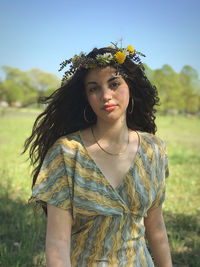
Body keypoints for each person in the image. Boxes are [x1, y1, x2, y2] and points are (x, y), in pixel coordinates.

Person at [24, 42, 173, 266]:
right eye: (94, 88)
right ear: (86, 97)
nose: (105, 95)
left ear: (130, 87)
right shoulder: (66, 153)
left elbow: (156, 228)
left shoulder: (154, 150)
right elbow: (57, 242)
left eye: (114, 84)